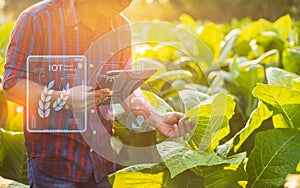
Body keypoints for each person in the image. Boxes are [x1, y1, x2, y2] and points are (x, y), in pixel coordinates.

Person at [2, 0, 194, 187]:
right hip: (54, 167)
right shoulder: (37, 19)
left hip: (101, 165)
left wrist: (157, 118)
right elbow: (11, 85)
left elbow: (124, 88)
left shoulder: (121, 27)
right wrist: (64, 98)